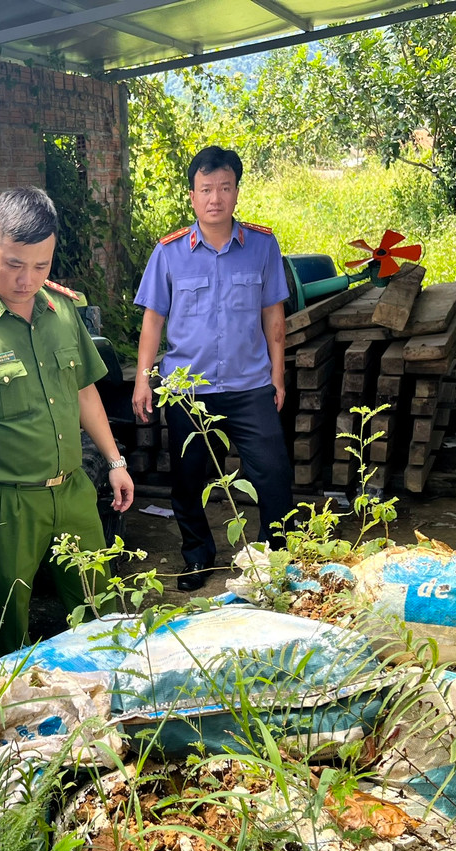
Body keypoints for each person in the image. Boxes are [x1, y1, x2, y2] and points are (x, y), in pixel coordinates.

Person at [0, 186, 134, 654]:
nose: (27, 279)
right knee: (8, 631)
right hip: (6, 505)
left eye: (41, 266)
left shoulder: (63, 311)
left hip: (74, 491)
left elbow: (83, 391)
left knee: (102, 615)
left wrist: (115, 460)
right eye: (14, 264)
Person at [132, 145, 293, 592]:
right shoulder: (169, 253)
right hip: (187, 389)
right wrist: (144, 379)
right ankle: (197, 556)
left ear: (237, 191)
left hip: (249, 386)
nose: (215, 198)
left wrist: (277, 377)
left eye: (224, 187)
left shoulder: (262, 245)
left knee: (274, 477)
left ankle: (269, 562)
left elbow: (273, 317)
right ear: (192, 196)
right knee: (187, 481)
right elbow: (153, 320)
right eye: (206, 189)